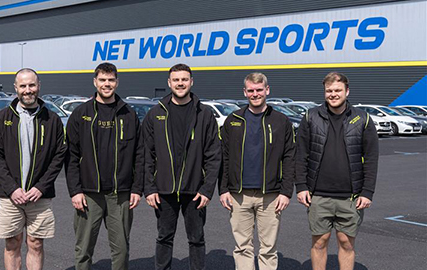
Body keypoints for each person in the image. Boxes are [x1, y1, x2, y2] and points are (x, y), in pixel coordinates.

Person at [295, 72, 379, 270]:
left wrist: (367, 192)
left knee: (346, 243)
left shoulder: (362, 119)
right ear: (324, 92)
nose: (333, 94)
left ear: (347, 91)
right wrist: (301, 186)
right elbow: (301, 154)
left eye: (337, 90)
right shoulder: (310, 117)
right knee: (319, 242)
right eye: (329, 91)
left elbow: (371, 158)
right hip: (318, 195)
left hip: (351, 196)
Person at [143, 63, 222, 270]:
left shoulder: (204, 115)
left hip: (195, 191)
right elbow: (146, 155)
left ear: (191, 81)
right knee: (164, 238)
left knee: (196, 239)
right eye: (176, 80)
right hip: (164, 190)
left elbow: (214, 155)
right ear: (169, 83)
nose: (180, 83)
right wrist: (149, 188)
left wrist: (207, 189)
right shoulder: (155, 114)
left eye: (184, 79)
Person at [65, 62, 143, 270]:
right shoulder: (81, 114)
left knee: (122, 249)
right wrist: (75, 191)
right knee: (83, 249)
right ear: (95, 82)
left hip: (120, 195)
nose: (106, 84)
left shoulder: (128, 114)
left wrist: (137, 188)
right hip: (89, 194)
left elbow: (139, 154)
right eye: (102, 80)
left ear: (116, 82)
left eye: (110, 80)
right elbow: (71, 156)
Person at [0, 68, 67, 270]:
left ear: (39, 86)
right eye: (23, 86)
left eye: (32, 85)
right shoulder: (2, 118)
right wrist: (12, 188)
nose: (28, 90)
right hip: (9, 195)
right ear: (16, 88)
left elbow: (58, 157)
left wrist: (40, 187)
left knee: (36, 244)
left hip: (39, 196)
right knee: (12, 244)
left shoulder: (53, 120)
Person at [219, 73, 295, 270]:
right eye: (251, 90)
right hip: (238, 194)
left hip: (270, 196)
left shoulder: (281, 121)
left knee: (268, 248)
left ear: (267, 90)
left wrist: (286, 192)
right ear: (245, 92)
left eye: (259, 90)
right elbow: (224, 157)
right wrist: (223, 189)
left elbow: (289, 158)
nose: (255, 94)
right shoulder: (233, 120)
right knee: (242, 247)